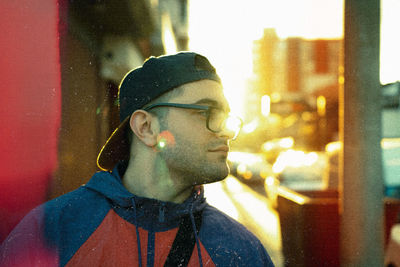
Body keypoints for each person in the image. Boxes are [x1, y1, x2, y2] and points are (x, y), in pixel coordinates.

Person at [0, 52, 274, 266]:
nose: (226, 130)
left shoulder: (242, 250)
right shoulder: (52, 232)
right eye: (207, 112)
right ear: (146, 128)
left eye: (225, 116)